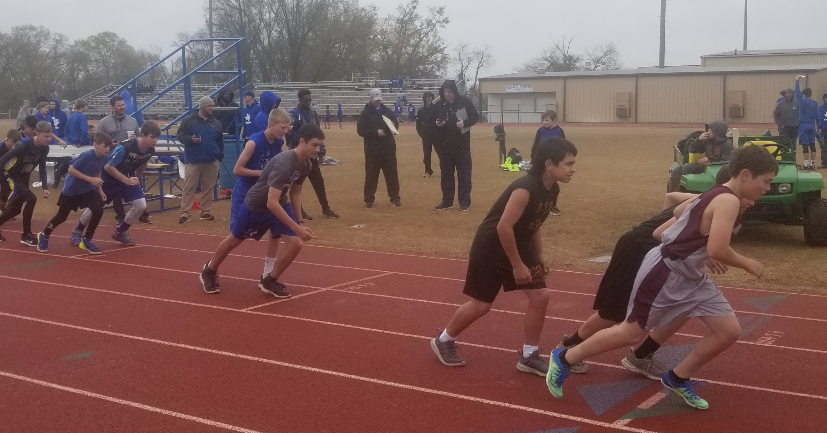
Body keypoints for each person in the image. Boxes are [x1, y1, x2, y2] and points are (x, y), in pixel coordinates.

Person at [547, 145, 778, 410]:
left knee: (728, 331)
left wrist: (698, 240)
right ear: (746, 175)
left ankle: (677, 378)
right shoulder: (728, 200)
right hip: (667, 272)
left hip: (693, 277)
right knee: (631, 333)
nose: (767, 188)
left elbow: (681, 214)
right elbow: (717, 249)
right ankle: (564, 357)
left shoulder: (717, 194)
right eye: (766, 182)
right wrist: (746, 262)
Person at [557, 168, 733, 378]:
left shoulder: (706, 199)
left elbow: (670, 197)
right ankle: (567, 347)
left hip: (663, 257)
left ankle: (641, 355)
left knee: (685, 305)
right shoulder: (711, 204)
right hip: (641, 248)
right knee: (616, 313)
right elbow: (660, 234)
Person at [430, 137, 577, 376]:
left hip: (519, 243)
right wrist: (517, 265)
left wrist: (539, 254)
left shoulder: (552, 190)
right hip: (491, 247)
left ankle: (529, 355)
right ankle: (443, 339)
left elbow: (534, 223)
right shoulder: (524, 188)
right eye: (568, 163)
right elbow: (503, 228)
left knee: (540, 296)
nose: (573, 169)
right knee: (481, 305)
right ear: (550, 164)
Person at [199, 123, 321, 296]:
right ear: (302, 142)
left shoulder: (306, 165)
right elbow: (271, 203)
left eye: (320, 145)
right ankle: (209, 270)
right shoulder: (284, 163)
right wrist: (296, 228)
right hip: (257, 205)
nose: (318, 149)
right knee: (234, 240)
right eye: (314, 144)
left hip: (280, 203)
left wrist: (299, 221)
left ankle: (269, 280)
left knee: (296, 243)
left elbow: (295, 192)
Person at [232, 108, 291, 279]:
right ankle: (212, 267)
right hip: (246, 192)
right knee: (237, 236)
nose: (286, 131)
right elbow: (237, 169)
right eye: (283, 127)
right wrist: (261, 173)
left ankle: (268, 272)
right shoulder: (254, 142)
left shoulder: (279, 142)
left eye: (288, 128)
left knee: (276, 230)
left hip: (266, 192)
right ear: (271, 125)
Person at [36, 133, 113, 254]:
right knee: (62, 217)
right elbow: (71, 170)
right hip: (72, 189)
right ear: (95, 145)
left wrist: (100, 190)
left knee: (98, 210)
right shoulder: (87, 155)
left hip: (87, 189)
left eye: (109, 146)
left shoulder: (105, 157)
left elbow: (97, 171)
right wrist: (90, 179)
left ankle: (87, 239)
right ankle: (44, 234)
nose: (107, 149)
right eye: (104, 146)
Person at [92, 122, 160, 247]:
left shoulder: (151, 150)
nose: (155, 140)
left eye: (157, 137)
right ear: (143, 135)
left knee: (140, 205)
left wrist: (136, 178)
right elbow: (108, 167)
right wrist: (126, 180)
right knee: (95, 206)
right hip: (110, 179)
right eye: (152, 137)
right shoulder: (126, 147)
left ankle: (120, 231)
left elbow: (143, 163)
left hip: (128, 177)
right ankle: (79, 230)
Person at [0, 121, 54, 244]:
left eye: (50, 136)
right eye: (46, 136)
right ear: (37, 133)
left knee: (16, 210)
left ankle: (25, 234)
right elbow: (2, 160)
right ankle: (26, 235)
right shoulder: (22, 146)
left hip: (24, 177)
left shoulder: (44, 148)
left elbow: (42, 167)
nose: (49, 139)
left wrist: (45, 187)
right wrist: (3, 178)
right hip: (12, 176)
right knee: (31, 198)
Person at [287, 89, 339, 219]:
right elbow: (290, 135)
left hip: (312, 155)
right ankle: (299, 210)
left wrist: (321, 151)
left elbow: (318, 135)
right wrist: (305, 141)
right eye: (306, 100)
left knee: (318, 182)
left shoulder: (313, 114)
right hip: (298, 156)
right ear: (300, 100)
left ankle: (326, 208)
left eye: (310, 100)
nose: (308, 103)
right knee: (298, 184)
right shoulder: (293, 115)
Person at [176, 96, 224, 224]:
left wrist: (219, 155)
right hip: (193, 160)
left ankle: (205, 211)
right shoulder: (189, 121)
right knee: (189, 188)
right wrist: (190, 140)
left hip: (211, 160)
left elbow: (220, 141)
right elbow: (180, 135)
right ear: (202, 107)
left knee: (208, 188)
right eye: (210, 106)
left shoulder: (216, 123)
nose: (212, 108)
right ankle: (185, 213)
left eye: (212, 106)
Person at [433, 80, 479, 211]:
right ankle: (447, 201)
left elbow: (475, 116)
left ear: (454, 91)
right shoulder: (439, 105)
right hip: (445, 147)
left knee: (464, 175)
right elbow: (431, 122)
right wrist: (437, 124)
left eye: (449, 91)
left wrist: (465, 123)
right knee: (446, 175)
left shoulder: (464, 102)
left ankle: (464, 202)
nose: (447, 94)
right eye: (445, 92)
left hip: (462, 146)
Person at [98, 94, 144, 225]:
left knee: (133, 184)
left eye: (123, 104)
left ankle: (142, 213)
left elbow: (139, 138)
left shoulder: (132, 121)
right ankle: (120, 216)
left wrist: (136, 138)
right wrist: (109, 144)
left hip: (129, 160)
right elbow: (97, 139)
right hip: (111, 160)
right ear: (112, 107)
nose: (122, 107)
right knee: (116, 189)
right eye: (119, 105)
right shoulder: (104, 122)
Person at [356, 89, 401, 208]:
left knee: (391, 174)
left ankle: (395, 197)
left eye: (379, 99)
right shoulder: (365, 113)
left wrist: (389, 130)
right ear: (371, 99)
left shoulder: (388, 111)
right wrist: (375, 132)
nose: (378, 102)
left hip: (388, 149)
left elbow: (395, 125)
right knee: (371, 174)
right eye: (376, 100)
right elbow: (360, 130)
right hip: (372, 150)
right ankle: (369, 199)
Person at [669, 120, 733, 192]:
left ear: (717, 131)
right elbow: (692, 150)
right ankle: (683, 191)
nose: (708, 131)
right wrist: (699, 140)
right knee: (687, 167)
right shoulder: (707, 140)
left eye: (710, 129)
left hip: (716, 169)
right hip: (704, 166)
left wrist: (709, 162)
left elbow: (726, 162)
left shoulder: (727, 144)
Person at [532, 110, 566, 216]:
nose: (544, 122)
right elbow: (535, 145)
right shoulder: (540, 131)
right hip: (541, 161)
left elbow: (563, 146)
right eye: (543, 120)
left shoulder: (559, 131)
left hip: (553, 162)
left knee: (553, 185)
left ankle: (551, 206)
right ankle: (536, 204)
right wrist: (533, 159)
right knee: (539, 183)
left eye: (547, 120)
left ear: (554, 120)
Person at [794, 76, 820, 170]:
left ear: (804, 94)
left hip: (804, 125)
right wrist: (819, 126)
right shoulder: (815, 103)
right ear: (811, 94)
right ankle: (813, 164)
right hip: (812, 125)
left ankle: (806, 164)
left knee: (805, 145)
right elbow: (818, 115)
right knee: (812, 144)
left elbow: (797, 93)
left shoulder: (802, 101)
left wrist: (797, 81)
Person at [415, 92, 437, 177]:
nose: (429, 98)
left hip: (436, 135)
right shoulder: (421, 111)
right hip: (426, 136)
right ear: (424, 98)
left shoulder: (436, 108)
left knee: (441, 153)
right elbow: (418, 124)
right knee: (427, 154)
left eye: (430, 97)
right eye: (427, 97)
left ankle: (445, 170)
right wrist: (421, 134)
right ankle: (428, 171)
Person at [1, 129, 21, 209]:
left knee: (7, 192)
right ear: (7, 139)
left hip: (7, 173)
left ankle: (4, 210)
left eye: (16, 144)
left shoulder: (17, 149)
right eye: (13, 142)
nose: (14, 146)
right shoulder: (1, 147)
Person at [819, 91, 827, 168]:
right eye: (825, 98)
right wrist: (819, 127)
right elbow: (818, 118)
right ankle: (824, 161)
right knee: (823, 146)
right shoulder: (820, 108)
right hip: (823, 129)